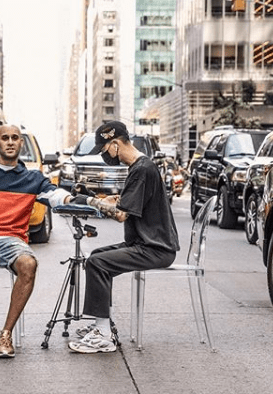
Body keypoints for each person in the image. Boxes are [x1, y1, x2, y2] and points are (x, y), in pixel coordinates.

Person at [0, 124, 86, 359]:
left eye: (15, 138)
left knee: (28, 264)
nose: (10, 142)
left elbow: (56, 196)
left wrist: (78, 199)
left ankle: (6, 334)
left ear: (22, 144)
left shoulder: (32, 178)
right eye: (5, 138)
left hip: (12, 241)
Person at [68, 120, 181, 354]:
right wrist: (109, 199)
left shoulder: (142, 169)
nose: (104, 155)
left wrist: (91, 202)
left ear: (116, 144)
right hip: (147, 243)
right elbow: (129, 203)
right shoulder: (141, 167)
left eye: (104, 149)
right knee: (98, 255)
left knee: (97, 263)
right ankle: (102, 324)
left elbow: (121, 215)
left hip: (155, 249)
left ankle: (104, 337)